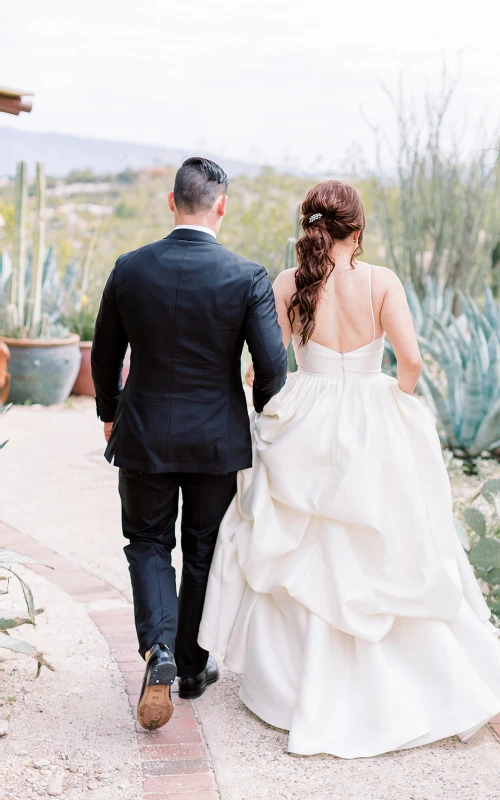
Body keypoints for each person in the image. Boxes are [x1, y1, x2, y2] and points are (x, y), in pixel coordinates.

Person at [199, 179, 500, 759]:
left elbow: (269, 362)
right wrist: (396, 403)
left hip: (307, 406)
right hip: (371, 413)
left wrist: (276, 404)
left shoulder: (287, 283)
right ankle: (406, 686)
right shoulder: (381, 282)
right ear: (359, 228)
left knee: (303, 545)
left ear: (310, 227)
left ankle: (295, 688)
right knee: (389, 542)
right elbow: (412, 360)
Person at [91, 157, 288, 730]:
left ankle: (160, 650)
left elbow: (105, 356)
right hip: (216, 442)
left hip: (146, 433)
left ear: (170, 202)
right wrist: (258, 416)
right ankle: (193, 668)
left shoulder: (129, 269)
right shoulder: (246, 275)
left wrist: (110, 413)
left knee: (148, 543)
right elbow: (272, 364)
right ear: (221, 206)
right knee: (202, 551)